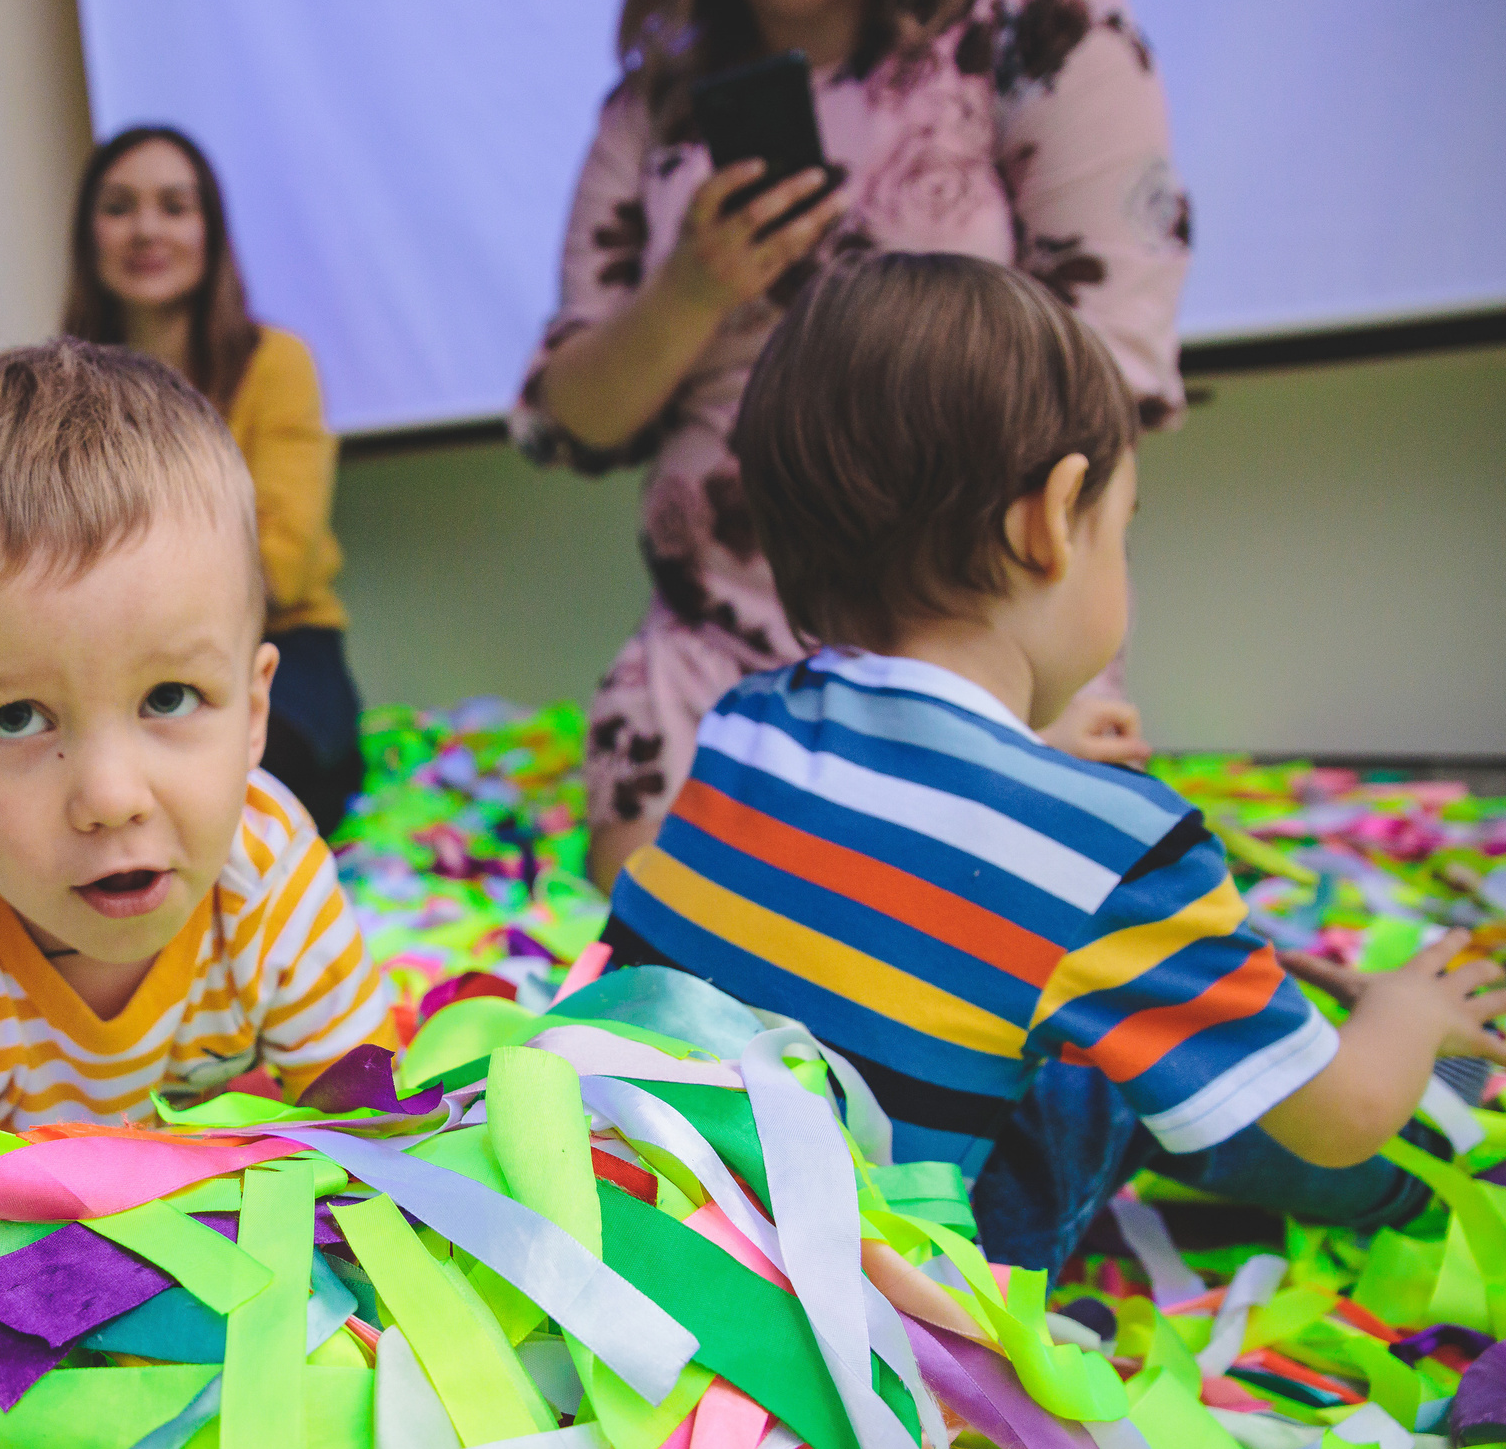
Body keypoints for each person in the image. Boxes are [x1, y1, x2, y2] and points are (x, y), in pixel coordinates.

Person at [595, 254, 1502, 1270]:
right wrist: (1405, 1016)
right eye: (1122, 531)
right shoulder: (1106, 845)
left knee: (1008, 971)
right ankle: (1424, 1158)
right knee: (1111, 1054)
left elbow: (881, 847)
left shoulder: (746, 719)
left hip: (660, 1209)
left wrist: (1019, 758)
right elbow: (1340, 1115)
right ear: (1049, 521)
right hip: (891, 1289)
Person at [517, 0, 1191, 888]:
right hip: (717, 646)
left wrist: (1005, 699)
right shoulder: (653, 108)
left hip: (993, 628)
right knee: (676, 909)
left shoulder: (1031, 16)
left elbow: (1112, 352)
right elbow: (570, 416)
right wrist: (688, 291)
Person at [0, 340, 393, 1147]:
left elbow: (373, 1135)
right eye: (15, 717)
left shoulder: (269, 869)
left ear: (254, 712)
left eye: (170, 697)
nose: (112, 797)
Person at [62, 127, 365, 839]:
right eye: (118, 207)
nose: (146, 229)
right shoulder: (61, 385)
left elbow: (278, 569)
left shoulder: (276, 363)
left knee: (226, 806)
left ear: (211, 232)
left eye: (175, 206)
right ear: (87, 235)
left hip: (281, 656)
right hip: (104, 672)